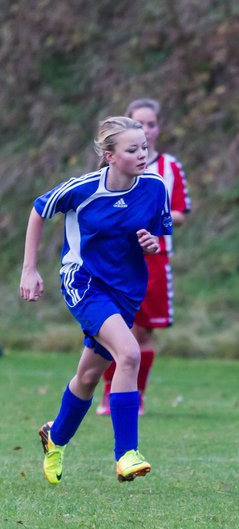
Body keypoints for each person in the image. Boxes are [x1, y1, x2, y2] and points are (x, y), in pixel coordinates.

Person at [19, 117, 172, 484]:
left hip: (126, 289)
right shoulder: (83, 188)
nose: (141, 155)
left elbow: (155, 235)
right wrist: (29, 269)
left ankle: (54, 437)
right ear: (109, 156)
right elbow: (39, 209)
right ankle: (126, 455)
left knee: (88, 376)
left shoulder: (155, 188)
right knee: (129, 353)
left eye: (144, 148)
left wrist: (152, 243)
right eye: (132, 149)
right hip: (83, 282)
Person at [97, 98, 191, 416]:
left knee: (143, 331)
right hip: (118, 260)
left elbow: (179, 213)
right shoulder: (112, 170)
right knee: (119, 328)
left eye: (151, 124)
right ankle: (111, 393)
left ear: (159, 127)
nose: (146, 131)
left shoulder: (169, 168)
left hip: (155, 259)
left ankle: (137, 394)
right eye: (139, 124)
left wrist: (152, 218)